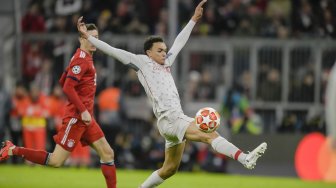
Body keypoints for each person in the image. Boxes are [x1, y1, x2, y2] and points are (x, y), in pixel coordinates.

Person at [77, 1, 267, 187]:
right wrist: (89, 38)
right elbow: (113, 51)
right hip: (171, 119)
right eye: (159, 50)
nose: (164, 53)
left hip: (173, 120)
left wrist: (193, 19)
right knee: (210, 134)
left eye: (164, 50)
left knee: (169, 169)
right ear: (148, 52)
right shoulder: (141, 63)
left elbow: (179, 42)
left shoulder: (166, 63)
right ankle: (244, 158)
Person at [0, 24, 117, 188]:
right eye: (89, 37)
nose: (94, 41)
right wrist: (82, 110)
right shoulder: (82, 59)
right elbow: (67, 87)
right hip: (77, 118)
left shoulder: (82, 57)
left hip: (87, 118)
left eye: (96, 38)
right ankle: (13, 150)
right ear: (81, 39)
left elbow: (63, 80)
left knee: (107, 152)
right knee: (56, 161)